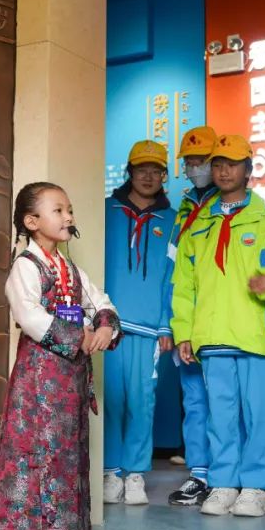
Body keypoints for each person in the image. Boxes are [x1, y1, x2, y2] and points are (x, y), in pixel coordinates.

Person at [0, 182, 120, 530]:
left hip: (70, 380)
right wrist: (79, 336)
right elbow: (29, 315)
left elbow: (100, 301)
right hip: (37, 383)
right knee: (35, 451)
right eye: (58, 210)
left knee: (67, 453)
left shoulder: (70, 269)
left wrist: (105, 327)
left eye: (69, 210)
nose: (68, 216)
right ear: (32, 221)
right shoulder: (25, 266)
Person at [172, 134, 265, 518]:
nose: (224, 171)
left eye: (232, 164)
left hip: (258, 335)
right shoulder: (198, 225)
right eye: (218, 164)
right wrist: (184, 332)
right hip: (213, 336)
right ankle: (223, 481)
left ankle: (255, 487)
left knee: (259, 415)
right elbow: (183, 285)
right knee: (220, 415)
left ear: (249, 169)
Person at [102, 141, 177, 505]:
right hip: (107, 325)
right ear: (129, 172)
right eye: (141, 169)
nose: (148, 176)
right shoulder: (105, 210)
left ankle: (135, 474)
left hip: (149, 329)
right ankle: (110, 471)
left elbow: (174, 278)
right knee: (109, 399)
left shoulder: (173, 220)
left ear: (164, 176)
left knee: (141, 402)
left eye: (156, 171)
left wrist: (166, 324)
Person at [166, 126, 217, 506]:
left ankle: (227, 475)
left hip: (221, 323)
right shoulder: (184, 210)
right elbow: (173, 272)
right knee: (195, 402)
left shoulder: (230, 207)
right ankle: (199, 473)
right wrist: (173, 323)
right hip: (187, 322)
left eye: (203, 160)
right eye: (191, 161)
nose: (196, 167)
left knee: (225, 405)